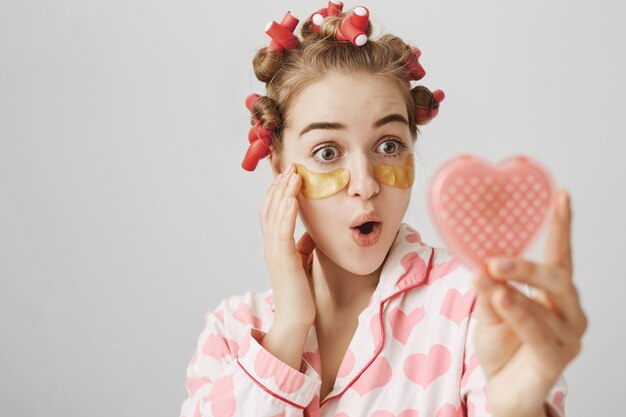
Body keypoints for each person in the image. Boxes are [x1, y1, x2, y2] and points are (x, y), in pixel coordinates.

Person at [179, 3, 587, 417]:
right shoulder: (231, 332)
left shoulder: (481, 306)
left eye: (389, 146)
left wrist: (515, 408)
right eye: (327, 151)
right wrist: (288, 327)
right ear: (281, 167)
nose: (366, 184)